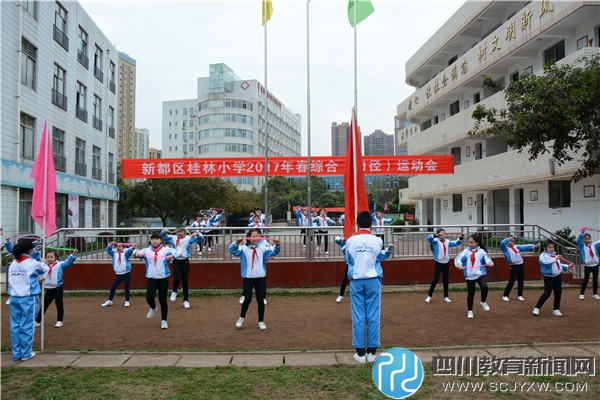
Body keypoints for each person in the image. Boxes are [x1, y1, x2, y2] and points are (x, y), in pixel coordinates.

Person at [339, 211, 393, 363]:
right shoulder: (377, 241)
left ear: (357, 224)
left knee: (358, 315)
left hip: (356, 280)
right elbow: (379, 257)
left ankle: (360, 353)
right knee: (373, 315)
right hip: (373, 280)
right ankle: (372, 352)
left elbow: (347, 259)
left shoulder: (351, 241)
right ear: (371, 224)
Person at [229, 228, 280, 330]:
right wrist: (236, 242)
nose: (255, 237)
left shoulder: (262, 248)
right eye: (253, 235)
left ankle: (261, 321)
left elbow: (273, 252)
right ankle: (241, 318)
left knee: (260, 300)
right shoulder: (243, 248)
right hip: (248, 278)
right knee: (247, 299)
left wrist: (277, 245)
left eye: (257, 235)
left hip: (260, 277)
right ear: (248, 237)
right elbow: (232, 250)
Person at [8, 238, 48, 361]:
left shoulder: (13, 263)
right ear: (30, 249)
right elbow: (44, 269)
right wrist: (43, 261)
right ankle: (26, 353)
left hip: (14, 297)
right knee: (27, 325)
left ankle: (17, 353)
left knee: (15, 325)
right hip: (28, 297)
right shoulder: (31, 263)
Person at [134, 232, 176, 329]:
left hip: (163, 279)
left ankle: (164, 320)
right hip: (152, 279)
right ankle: (153, 308)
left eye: (157, 239)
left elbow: (177, 252)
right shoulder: (147, 250)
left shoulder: (166, 250)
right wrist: (136, 253)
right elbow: (136, 253)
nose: (154, 241)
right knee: (149, 297)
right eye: (152, 239)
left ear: (161, 240)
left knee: (163, 300)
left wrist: (172, 256)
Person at [35, 248, 79, 328]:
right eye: (47, 257)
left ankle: (60, 320)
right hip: (49, 289)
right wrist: (37, 250)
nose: (49, 259)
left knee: (59, 305)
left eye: (51, 257)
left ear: (56, 257)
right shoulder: (44, 266)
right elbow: (37, 262)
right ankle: (38, 320)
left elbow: (68, 262)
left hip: (57, 288)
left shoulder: (60, 264)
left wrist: (73, 255)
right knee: (44, 305)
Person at [161, 227, 203, 309]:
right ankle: (174, 291)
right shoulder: (173, 238)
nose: (180, 233)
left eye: (181, 231)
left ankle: (186, 301)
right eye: (178, 232)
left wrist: (197, 234)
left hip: (185, 262)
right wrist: (164, 231)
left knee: (185, 282)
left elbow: (200, 238)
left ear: (184, 232)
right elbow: (163, 235)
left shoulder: (188, 238)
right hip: (176, 261)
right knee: (177, 278)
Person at [454, 234, 494, 319]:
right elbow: (458, 259)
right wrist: (459, 265)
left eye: (472, 242)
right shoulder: (465, 251)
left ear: (477, 243)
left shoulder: (481, 251)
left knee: (484, 287)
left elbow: (487, 259)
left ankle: (483, 301)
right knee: (471, 293)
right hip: (469, 275)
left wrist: (490, 263)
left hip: (479, 274)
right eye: (469, 242)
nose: (470, 244)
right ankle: (470, 311)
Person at [532, 239, 574, 317]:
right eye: (549, 247)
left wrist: (568, 266)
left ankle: (556, 309)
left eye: (552, 247)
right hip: (549, 278)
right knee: (547, 293)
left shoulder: (554, 255)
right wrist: (556, 258)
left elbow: (558, 265)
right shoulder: (543, 255)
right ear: (545, 248)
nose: (551, 249)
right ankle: (537, 308)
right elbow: (547, 262)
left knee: (558, 293)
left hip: (557, 276)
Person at [425, 229, 464, 303]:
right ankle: (429, 295)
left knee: (445, 280)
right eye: (442, 233)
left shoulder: (448, 241)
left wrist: (461, 238)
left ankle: (446, 296)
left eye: (445, 233)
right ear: (438, 234)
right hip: (438, 263)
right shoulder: (435, 241)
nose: (444, 234)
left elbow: (456, 243)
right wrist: (435, 235)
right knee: (435, 280)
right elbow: (429, 238)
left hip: (446, 263)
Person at [500, 235, 538, 302]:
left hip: (520, 264)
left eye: (513, 241)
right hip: (513, 266)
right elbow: (502, 243)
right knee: (511, 281)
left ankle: (520, 295)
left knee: (521, 281)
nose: (511, 242)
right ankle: (505, 295)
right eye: (510, 241)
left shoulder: (516, 247)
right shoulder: (505, 247)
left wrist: (534, 246)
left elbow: (525, 247)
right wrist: (509, 238)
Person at [102, 242, 137, 307]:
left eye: (120, 247)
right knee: (113, 287)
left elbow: (130, 251)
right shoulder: (114, 254)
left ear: (123, 248)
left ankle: (127, 301)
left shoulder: (125, 253)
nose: (118, 248)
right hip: (119, 274)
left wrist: (133, 247)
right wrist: (110, 244)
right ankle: (110, 300)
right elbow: (108, 250)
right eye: (117, 247)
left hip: (126, 273)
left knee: (126, 287)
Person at [577, 227, 600, 300]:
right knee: (586, 280)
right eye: (585, 239)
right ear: (583, 239)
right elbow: (579, 240)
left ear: (590, 239)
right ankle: (581, 294)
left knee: (595, 280)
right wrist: (582, 233)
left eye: (588, 239)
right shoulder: (582, 246)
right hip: (587, 265)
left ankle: (595, 294)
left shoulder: (594, 244)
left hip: (595, 265)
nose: (587, 240)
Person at [334, 237, 349, 303]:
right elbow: (336, 239)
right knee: (345, 280)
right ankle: (341, 295)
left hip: (358, 264)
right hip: (349, 264)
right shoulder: (345, 243)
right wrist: (342, 239)